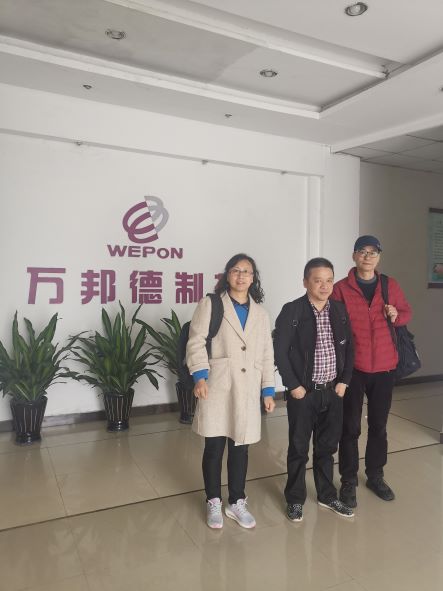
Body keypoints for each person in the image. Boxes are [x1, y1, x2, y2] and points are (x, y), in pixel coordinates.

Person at [186, 253, 276, 529]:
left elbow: (266, 353)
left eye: (247, 271)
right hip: (217, 385)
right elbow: (196, 341)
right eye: (236, 270)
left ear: (253, 278)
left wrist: (268, 389)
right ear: (227, 275)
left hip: (247, 388)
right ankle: (213, 500)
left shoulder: (261, 314)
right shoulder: (211, 304)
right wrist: (200, 377)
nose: (241, 276)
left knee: (241, 447)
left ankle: (236, 501)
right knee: (214, 447)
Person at [333, 235, 412, 507]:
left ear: (379, 256)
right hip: (353, 369)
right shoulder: (341, 288)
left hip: (385, 368)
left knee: (379, 426)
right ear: (354, 256)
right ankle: (348, 480)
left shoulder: (390, 285)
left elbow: (406, 312)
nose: (367, 257)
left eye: (373, 252)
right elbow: (332, 323)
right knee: (350, 427)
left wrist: (396, 315)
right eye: (362, 251)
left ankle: (375, 475)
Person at [274, 257, 354, 522]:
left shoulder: (339, 310)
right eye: (318, 280)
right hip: (303, 394)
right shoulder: (292, 311)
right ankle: (295, 499)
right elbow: (280, 352)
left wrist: (344, 381)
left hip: (333, 392)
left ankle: (327, 495)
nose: (324, 286)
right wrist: (293, 385)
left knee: (327, 448)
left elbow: (350, 348)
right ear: (305, 282)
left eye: (329, 280)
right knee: (298, 448)